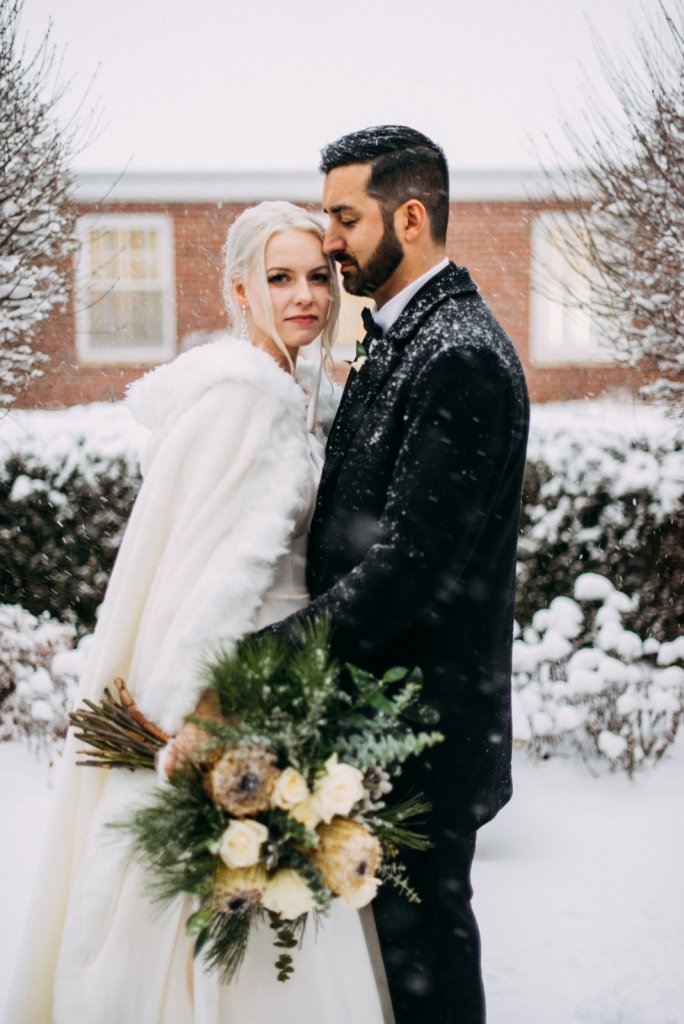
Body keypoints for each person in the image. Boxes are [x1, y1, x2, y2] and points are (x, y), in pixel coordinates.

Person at [4, 201, 390, 1024]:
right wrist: (207, 712)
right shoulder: (247, 403)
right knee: (233, 906)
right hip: (238, 687)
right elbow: (210, 581)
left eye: (318, 276)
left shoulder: (292, 395)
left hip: (284, 677)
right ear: (240, 292)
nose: (305, 296)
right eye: (279, 278)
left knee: (262, 901)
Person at [258, 127, 530, 1023]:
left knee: (424, 960)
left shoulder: (458, 356)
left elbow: (410, 569)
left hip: (425, 733)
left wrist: (261, 661)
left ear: (409, 217)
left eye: (344, 217)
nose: (328, 240)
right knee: (394, 961)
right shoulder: (404, 336)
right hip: (384, 719)